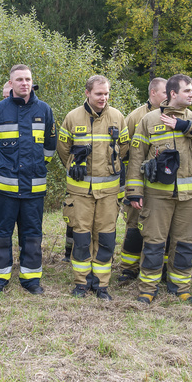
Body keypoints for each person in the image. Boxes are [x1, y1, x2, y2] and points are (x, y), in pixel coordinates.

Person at [125, 74, 192, 305]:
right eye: (187, 90)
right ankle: (148, 288)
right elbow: (136, 158)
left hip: (190, 198)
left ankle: (180, 287)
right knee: (154, 243)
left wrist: (186, 127)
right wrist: (134, 192)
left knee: (185, 244)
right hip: (158, 196)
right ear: (173, 94)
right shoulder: (149, 120)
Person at [0, 64, 56, 295]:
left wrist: (36, 168)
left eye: (28, 79)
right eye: (20, 79)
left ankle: (31, 280)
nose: (25, 83)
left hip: (34, 188)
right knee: (1, 235)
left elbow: (50, 149)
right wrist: (0, 169)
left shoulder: (44, 110)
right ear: (11, 83)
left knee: (32, 235)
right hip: (4, 189)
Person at [57, 75, 129, 300]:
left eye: (106, 93)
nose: (103, 98)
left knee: (106, 238)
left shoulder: (117, 117)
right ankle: (81, 284)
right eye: (99, 94)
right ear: (87, 93)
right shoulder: (72, 117)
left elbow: (124, 148)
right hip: (80, 193)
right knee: (82, 238)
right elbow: (63, 149)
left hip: (108, 193)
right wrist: (73, 166)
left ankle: (101, 285)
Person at [118, 77, 166, 283]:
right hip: (138, 182)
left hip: (162, 186)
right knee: (134, 227)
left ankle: (160, 269)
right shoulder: (135, 117)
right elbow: (123, 150)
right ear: (153, 93)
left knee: (162, 229)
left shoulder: (171, 115)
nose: (169, 97)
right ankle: (129, 269)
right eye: (165, 93)